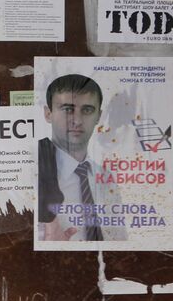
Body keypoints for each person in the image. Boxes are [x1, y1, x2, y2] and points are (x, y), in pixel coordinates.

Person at [36, 74, 127, 243]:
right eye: (67, 109)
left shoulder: (106, 178)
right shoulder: (32, 174)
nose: (77, 120)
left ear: (98, 116)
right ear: (48, 114)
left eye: (87, 110)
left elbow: (119, 241)